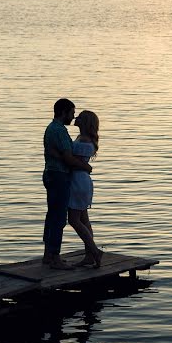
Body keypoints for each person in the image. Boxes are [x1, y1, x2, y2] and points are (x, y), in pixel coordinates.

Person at [42, 98, 91, 270]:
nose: (73, 116)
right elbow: (68, 158)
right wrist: (86, 166)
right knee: (58, 218)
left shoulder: (51, 128)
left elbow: (60, 154)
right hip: (59, 176)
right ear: (63, 113)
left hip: (51, 174)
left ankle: (48, 254)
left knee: (52, 215)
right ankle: (55, 257)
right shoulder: (60, 131)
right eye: (71, 113)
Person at [68, 110, 103, 267]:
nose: (76, 118)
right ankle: (89, 255)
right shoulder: (83, 139)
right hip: (81, 180)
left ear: (85, 122)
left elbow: (70, 159)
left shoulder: (83, 141)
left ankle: (94, 251)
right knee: (84, 219)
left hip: (78, 181)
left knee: (74, 220)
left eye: (80, 117)